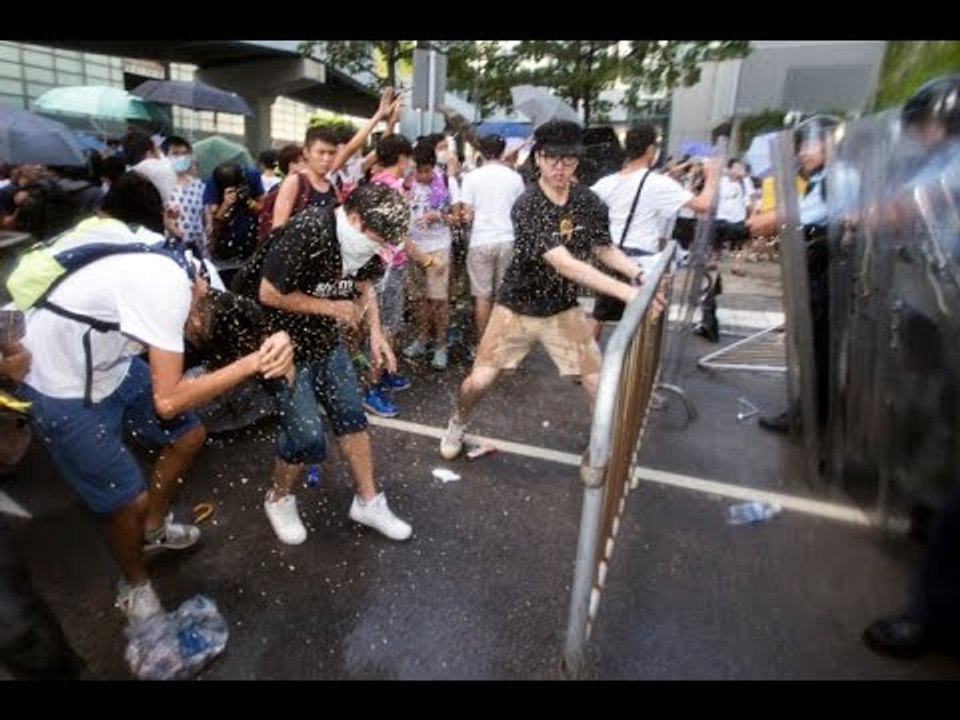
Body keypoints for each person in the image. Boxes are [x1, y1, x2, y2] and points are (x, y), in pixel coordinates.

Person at [12, 171, 295, 625]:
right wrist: (247, 365)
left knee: (189, 435)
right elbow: (168, 400)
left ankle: (155, 530)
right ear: (195, 315)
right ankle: (135, 584)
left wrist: (274, 342)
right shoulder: (169, 292)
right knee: (128, 500)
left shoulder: (197, 275)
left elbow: (241, 321)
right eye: (195, 338)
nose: (192, 343)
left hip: (112, 364)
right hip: (60, 384)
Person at [438, 120, 650, 460]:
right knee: (480, 381)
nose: (559, 167)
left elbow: (604, 248)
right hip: (515, 308)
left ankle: (600, 451)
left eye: (568, 160)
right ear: (537, 158)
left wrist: (638, 272)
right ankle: (457, 421)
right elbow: (564, 263)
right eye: (552, 158)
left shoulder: (587, 201)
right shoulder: (527, 205)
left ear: (577, 162)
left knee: (599, 383)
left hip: (562, 308)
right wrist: (627, 293)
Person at [237, 182, 414, 544]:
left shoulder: (368, 243)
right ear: (353, 218)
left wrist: (376, 334)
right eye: (377, 238)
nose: (379, 248)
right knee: (305, 435)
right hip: (276, 341)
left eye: (386, 242)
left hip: (322, 338)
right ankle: (278, 497)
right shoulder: (309, 231)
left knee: (351, 415)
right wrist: (332, 307)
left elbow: (364, 288)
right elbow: (268, 293)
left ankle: (368, 501)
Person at [861, 74, 960, 659]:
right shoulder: (936, 162)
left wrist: (867, 213)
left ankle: (930, 614)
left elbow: (902, 209)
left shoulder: (948, 166)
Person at [748, 114, 840, 432]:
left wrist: (750, 225)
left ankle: (813, 420)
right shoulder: (819, 181)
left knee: (819, 351)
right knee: (814, 349)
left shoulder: (834, 181)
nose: (802, 153)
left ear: (831, 143)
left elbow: (788, 217)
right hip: (818, 274)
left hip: (829, 277)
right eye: (800, 146)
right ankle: (811, 413)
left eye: (809, 145)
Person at [589, 123, 718, 339]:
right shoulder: (658, 183)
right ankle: (631, 371)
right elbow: (704, 204)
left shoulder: (606, 182)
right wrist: (712, 176)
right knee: (644, 319)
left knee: (600, 313)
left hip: (610, 255)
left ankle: (585, 364)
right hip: (641, 262)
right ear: (650, 150)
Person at [458, 134, 526, 341]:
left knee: (482, 296)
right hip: (508, 239)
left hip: (481, 241)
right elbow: (520, 212)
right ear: (502, 151)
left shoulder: (471, 178)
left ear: (481, 152)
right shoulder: (515, 178)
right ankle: (502, 343)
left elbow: (467, 215)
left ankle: (483, 345)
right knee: (504, 297)